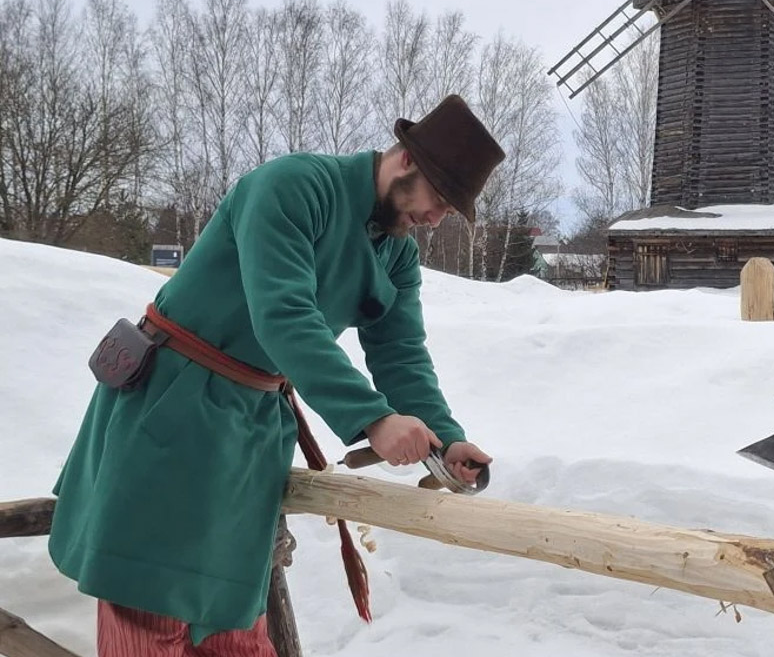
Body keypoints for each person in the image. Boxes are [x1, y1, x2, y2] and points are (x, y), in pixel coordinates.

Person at [49, 94, 505, 656]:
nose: (436, 218)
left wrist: (446, 436)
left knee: (231, 618)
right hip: (173, 404)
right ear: (406, 161)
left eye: (450, 210)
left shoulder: (397, 256)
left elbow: (402, 353)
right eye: (440, 198)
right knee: (150, 610)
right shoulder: (292, 186)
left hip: (252, 425)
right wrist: (373, 418)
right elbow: (284, 316)